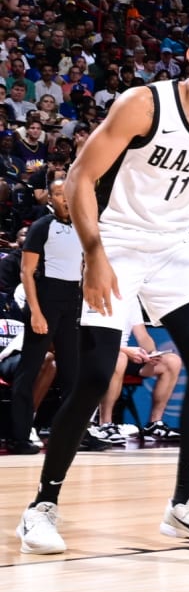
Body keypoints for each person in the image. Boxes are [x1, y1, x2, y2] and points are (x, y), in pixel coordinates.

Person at [17, 26, 189, 554]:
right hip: (117, 241)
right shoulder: (144, 104)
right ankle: (41, 506)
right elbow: (80, 177)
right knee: (96, 374)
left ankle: (184, 507)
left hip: (173, 248)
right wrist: (95, 254)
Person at [9, 179, 81, 453]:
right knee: (29, 370)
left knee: (72, 374)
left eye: (68, 194)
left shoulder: (83, 225)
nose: (65, 199)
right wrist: (36, 313)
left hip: (73, 299)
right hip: (46, 299)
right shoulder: (43, 226)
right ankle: (19, 436)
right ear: (51, 197)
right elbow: (26, 272)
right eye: (59, 194)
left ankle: (72, 434)